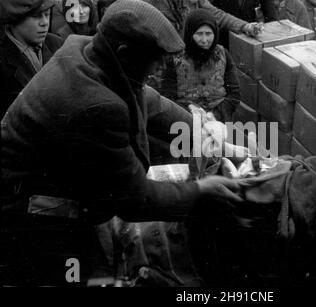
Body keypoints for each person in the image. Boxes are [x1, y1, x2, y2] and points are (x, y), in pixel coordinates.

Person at [0, 0, 244, 286]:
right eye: (155, 60)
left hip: (51, 188)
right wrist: (201, 190)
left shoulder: (86, 50)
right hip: (31, 210)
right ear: (125, 54)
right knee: (73, 273)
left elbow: (150, 101)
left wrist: (208, 138)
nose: (158, 68)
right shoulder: (94, 103)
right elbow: (135, 199)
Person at [161, 9, 241, 123]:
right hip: (186, 120)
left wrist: (215, 115)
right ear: (190, 34)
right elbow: (168, 97)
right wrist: (190, 111)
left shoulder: (223, 54)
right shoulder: (175, 59)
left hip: (219, 121)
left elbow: (234, 94)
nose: (204, 40)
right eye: (199, 34)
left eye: (208, 34)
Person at [0, 0, 63, 118]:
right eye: (36, 16)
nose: (45, 22)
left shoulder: (57, 44)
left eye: (47, 14)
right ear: (15, 18)